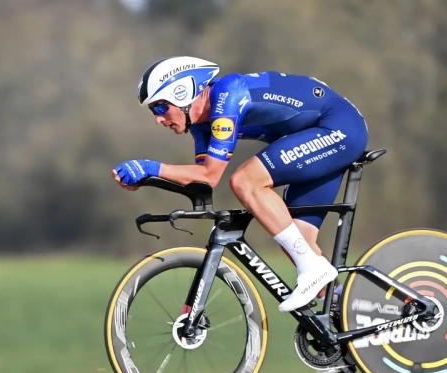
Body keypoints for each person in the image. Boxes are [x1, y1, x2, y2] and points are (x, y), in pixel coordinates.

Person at [113, 56, 368, 312]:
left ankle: (314, 270)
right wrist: (149, 179)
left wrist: (150, 167)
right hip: (317, 135)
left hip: (337, 128)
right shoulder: (201, 127)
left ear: (182, 93)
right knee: (296, 241)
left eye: (159, 108)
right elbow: (201, 178)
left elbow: (211, 175)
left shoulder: (228, 94)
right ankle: (354, 314)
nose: (158, 119)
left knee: (246, 181)